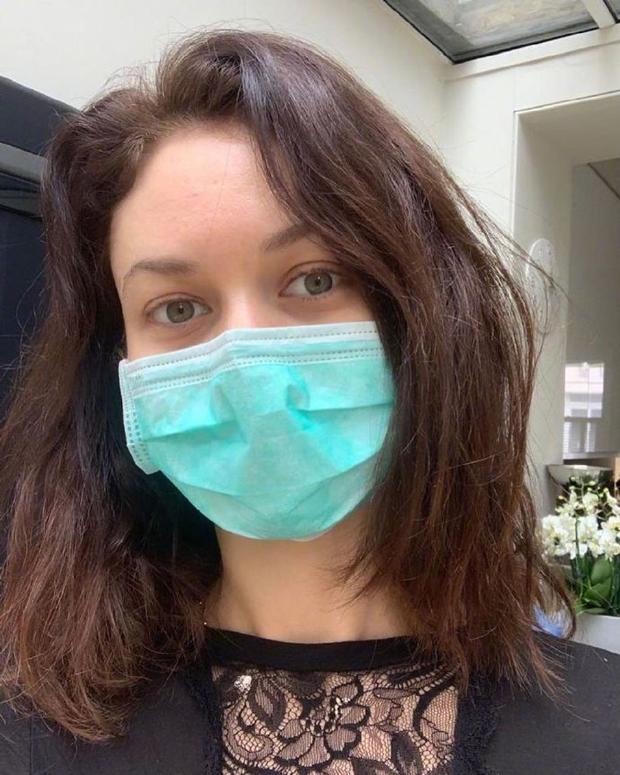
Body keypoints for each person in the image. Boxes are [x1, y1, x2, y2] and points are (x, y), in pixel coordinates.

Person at [0, 27, 618, 775]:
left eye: (314, 279)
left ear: (423, 313)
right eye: (177, 307)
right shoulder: (36, 732)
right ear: (121, 373)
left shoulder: (600, 727)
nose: (247, 357)